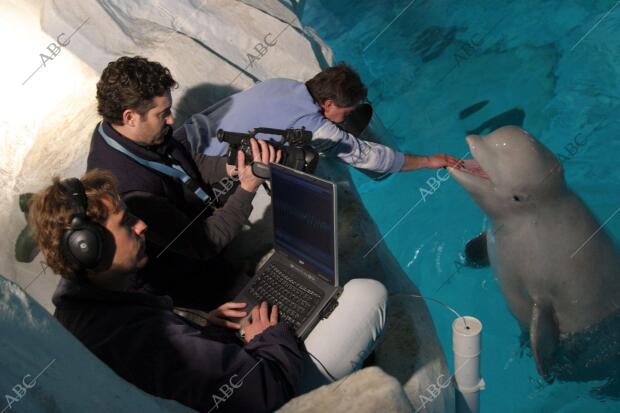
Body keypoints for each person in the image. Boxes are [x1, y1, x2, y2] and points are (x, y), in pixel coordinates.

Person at [28, 169, 387, 413]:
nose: (141, 225)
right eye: (125, 222)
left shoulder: (80, 306)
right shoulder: (143, 338)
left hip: (236, 357)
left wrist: (205, 328)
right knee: (369, 295)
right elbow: (263, 393)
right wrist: (272, 336)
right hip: (271, 392)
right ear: (89, 248)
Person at [88, 56, 279, 310]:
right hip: (190, 281)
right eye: (162, 114)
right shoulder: (133, 194)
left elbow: (183, 161)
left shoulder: (127, 133)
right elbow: (205, 243)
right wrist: (247, 187)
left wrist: (230, 167)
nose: (171, 120)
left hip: (198, 235)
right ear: (130, 117)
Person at [181, 63, 461, 174]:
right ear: (328, 104)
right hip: (197, 170)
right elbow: (368, 157)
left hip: (180, 138)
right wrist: (426, 161)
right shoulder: (313, 125)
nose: (343, 119)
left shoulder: (280, 83)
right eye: (346, 113)